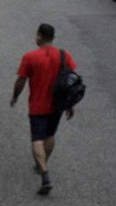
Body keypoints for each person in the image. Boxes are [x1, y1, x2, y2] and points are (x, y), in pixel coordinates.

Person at [10, 24, 77, 196]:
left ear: (39, 36)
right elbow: (71, 82)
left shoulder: (30, 57)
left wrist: (15, 96)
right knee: (50, 135)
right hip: (57, 105)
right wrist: (70, 104)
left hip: (38, 106)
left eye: (36, 35)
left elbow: (21, 81)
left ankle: (45, 175)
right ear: (52, 37)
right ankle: (43, 163)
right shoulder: (65, 55)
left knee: (37, 139)